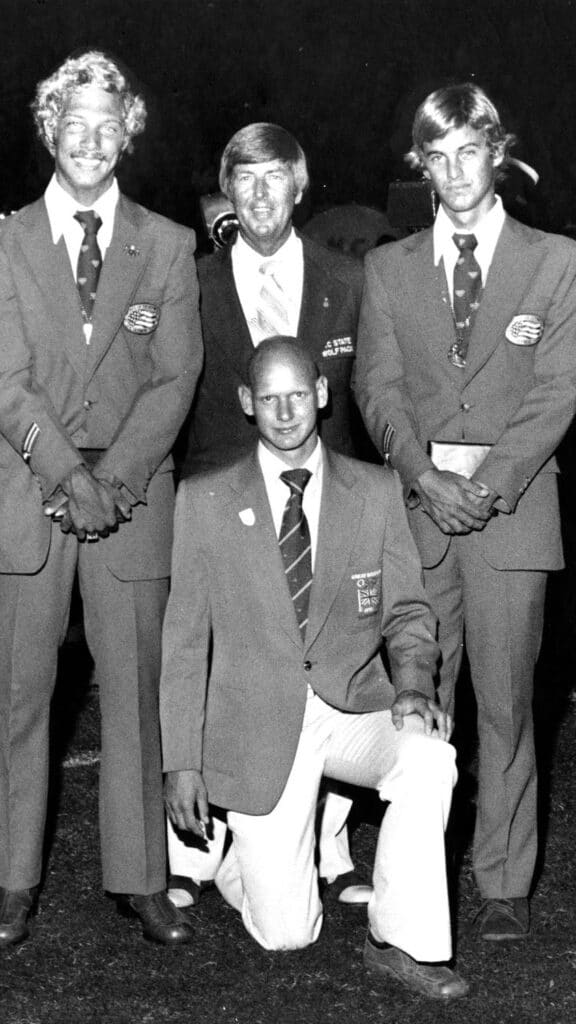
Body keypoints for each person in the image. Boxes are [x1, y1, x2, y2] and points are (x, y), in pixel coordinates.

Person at [160, 337, 469, 1001]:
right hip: (259, 720)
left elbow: (409, 615)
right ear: (247, 403)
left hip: (351, 707)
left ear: (322, 394)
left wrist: (413, 688)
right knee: (288, 935)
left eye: (297, 394)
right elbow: (184, 642)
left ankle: (402, 940)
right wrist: (181, 760)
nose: (284, 411)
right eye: (267, 398)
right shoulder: (204, 501)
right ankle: (245, 845)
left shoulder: (376, 489)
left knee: (429, 759)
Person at [355, 82, 576, 941]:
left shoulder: (554, 260)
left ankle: (503, 880)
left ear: (497, 152)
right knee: (419, 694)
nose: (454, 173)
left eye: (469, 153)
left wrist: (489, 483)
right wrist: (419, 470)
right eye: (436, 158)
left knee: (509, 702)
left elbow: (559, 390)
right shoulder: (389, 265)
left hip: (511, 513)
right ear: (422, 165)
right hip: (418, 508)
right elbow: (376, 385)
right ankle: (418, 876)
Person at [0, 50, 203, 948]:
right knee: (21, 693)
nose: (89, 140)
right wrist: (64, 473)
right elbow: (4, 380)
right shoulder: (4, 242)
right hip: (30, 491)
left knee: (132, 690)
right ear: (50, 130)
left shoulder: (165, 243)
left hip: (130, 495)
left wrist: (111, 483)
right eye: (72, 124)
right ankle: (11, 878)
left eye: (105, 124)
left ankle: (140, 877)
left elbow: (176, 375)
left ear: (129, 133)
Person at [171, 122, 372, 907]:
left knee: (332, 657)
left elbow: (368, 393)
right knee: (217, 660)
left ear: (300, 186)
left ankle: (330, 849)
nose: (259, 194)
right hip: (222, 496)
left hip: (325, 492)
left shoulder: (347, 279)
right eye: (243, 179)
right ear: (227, 192)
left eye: (274, 177)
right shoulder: (190, 281)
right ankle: (194, 847)